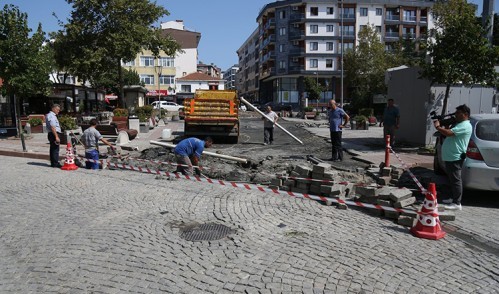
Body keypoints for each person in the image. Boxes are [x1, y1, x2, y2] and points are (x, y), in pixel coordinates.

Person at [433, 104, 472, 211]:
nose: (456, 115)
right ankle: (453, 198)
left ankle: (457, 203)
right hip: (451, 156)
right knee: (451, 178)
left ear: (465, 114)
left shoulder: (465, 125)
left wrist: (438, 127)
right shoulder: (459, 124)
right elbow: (449, 133)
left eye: (458, 113)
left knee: (456, 179)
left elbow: (449, 133)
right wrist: (444, 126)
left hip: (456, 156)